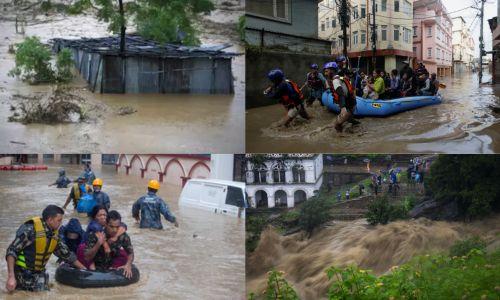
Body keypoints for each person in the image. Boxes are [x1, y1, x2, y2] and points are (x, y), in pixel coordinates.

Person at [5, 205, 86, 292]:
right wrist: (11, 277)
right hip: (22, 274)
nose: (61, 223)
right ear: (50, 220)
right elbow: (11, 251)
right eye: (59, 220)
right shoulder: (30, 230)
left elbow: (67, 255)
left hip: (39, 274)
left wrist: (85, 270)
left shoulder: (54, 235)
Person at [83, 210, 134, 278]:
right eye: (111, 227)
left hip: (112, 266)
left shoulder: (122, 236)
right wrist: (98, 244)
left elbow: (130, 253)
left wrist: (128, 265)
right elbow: (87, 257)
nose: (114, 230)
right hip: (96, 267)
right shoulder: (95, 235)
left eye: (117, 227)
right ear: (106, 224)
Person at [324, 61, 358, 132]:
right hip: (352, 103)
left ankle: (340, 137)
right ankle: (356, 125)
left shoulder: (335, 81)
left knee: (337, 125)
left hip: (346, 105)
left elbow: (340, 94)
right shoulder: (341, 77)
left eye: (327, 71)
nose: (325, 74)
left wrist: (343, 108)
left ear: (332, 71)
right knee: (349, 119)